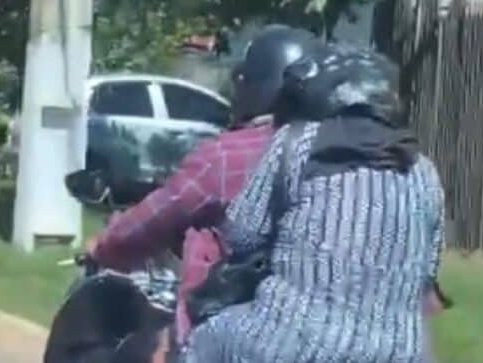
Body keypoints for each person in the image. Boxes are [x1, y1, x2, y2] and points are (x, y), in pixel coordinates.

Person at [180, 42, 446, 362]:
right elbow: (427, 275)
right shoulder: (423, 170)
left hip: (295, 341)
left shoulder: (297, 143)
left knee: (203, 339)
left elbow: (241, 236)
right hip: (398, 353)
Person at [85, 24, 323, 343]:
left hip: (227, 336)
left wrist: (105, 245)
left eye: (242, 81)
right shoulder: (340, 155)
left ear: (257, 87)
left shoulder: (228, 155)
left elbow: (160, 214)